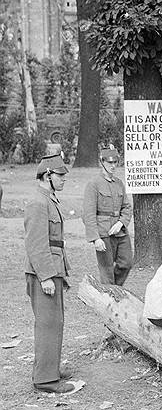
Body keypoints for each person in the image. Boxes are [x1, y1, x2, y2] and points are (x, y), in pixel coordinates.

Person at [24, 154, 75, 393]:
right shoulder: (38, 202)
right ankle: (44, 380)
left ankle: (50, 369)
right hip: (43, 271)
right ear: (47, 176)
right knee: (47, 324)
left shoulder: (48, 199)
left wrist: (60, 273)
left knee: (55, 322)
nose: (64, 179)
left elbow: (56, 242)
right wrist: (45, 276)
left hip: (52, 268)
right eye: (60, 175)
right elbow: (36, 244)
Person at [82, 147, 133, 286]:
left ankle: (113, 290)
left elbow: (127, 207)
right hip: (103, 233)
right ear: (101, 162)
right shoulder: (94, 184)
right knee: (106, 269)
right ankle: (109, 297)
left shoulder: (119, 183)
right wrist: (95, 238)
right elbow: (88, 214)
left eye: (115, 162)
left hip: (120, 232)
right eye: (109, 162)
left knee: (126, 263)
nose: (113, 166)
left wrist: (121, 223)